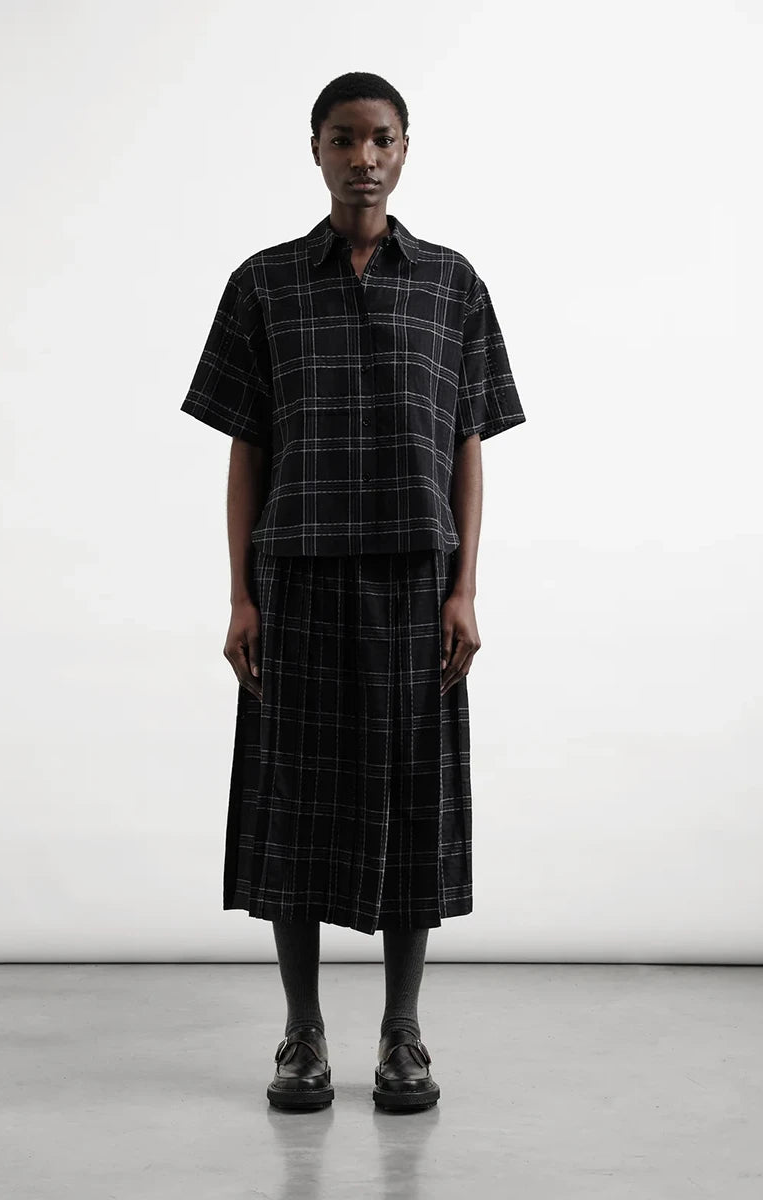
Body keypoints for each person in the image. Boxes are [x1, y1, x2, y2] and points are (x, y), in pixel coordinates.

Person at [181, 71, 526, 1114]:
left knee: (414, 802)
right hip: (296, 576)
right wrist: (240, 596)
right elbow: (246, 448)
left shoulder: (452, 284)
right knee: (292, 803)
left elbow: (468, 444)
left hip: (417, 581)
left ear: (405, 149)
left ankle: (401, 1033)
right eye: (343, 139)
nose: (363, 158)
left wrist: (464, 587)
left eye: (380, 139)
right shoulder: (264, 284)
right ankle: (302, 1034)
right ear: (316, 149)